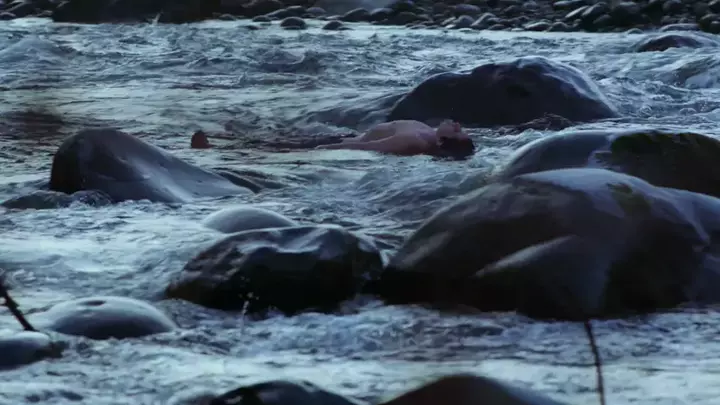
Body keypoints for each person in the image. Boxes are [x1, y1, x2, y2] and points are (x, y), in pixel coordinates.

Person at [315, 119, 475, 159]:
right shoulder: (429, 136)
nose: (457, 125)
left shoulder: (412, 141)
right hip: (343, 137)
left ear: (441, 141)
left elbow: (366, 147)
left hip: (337, 142)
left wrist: (320, 148)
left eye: (457, 131)